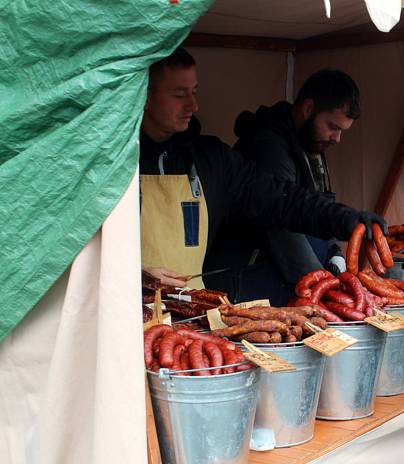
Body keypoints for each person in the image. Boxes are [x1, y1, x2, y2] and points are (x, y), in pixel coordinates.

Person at [139, 47, 385, 297]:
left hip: (192, 312)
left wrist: (345, 219)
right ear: (144, 96)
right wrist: (139, 278)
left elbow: (281, 199)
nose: (194, 104)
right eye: (180, 94)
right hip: (125, 317)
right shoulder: (111, 161)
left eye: (194, 92)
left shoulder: (213, 158)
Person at [231, 70, 359, 303]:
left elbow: (316, 206)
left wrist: (334, 252)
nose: (337, 138)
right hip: (259, 281)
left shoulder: (310, 142)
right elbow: (281, 225)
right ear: (308, 108)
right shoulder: (268, 147)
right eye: (333, 126)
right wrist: (323, 289)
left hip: (297, 280)